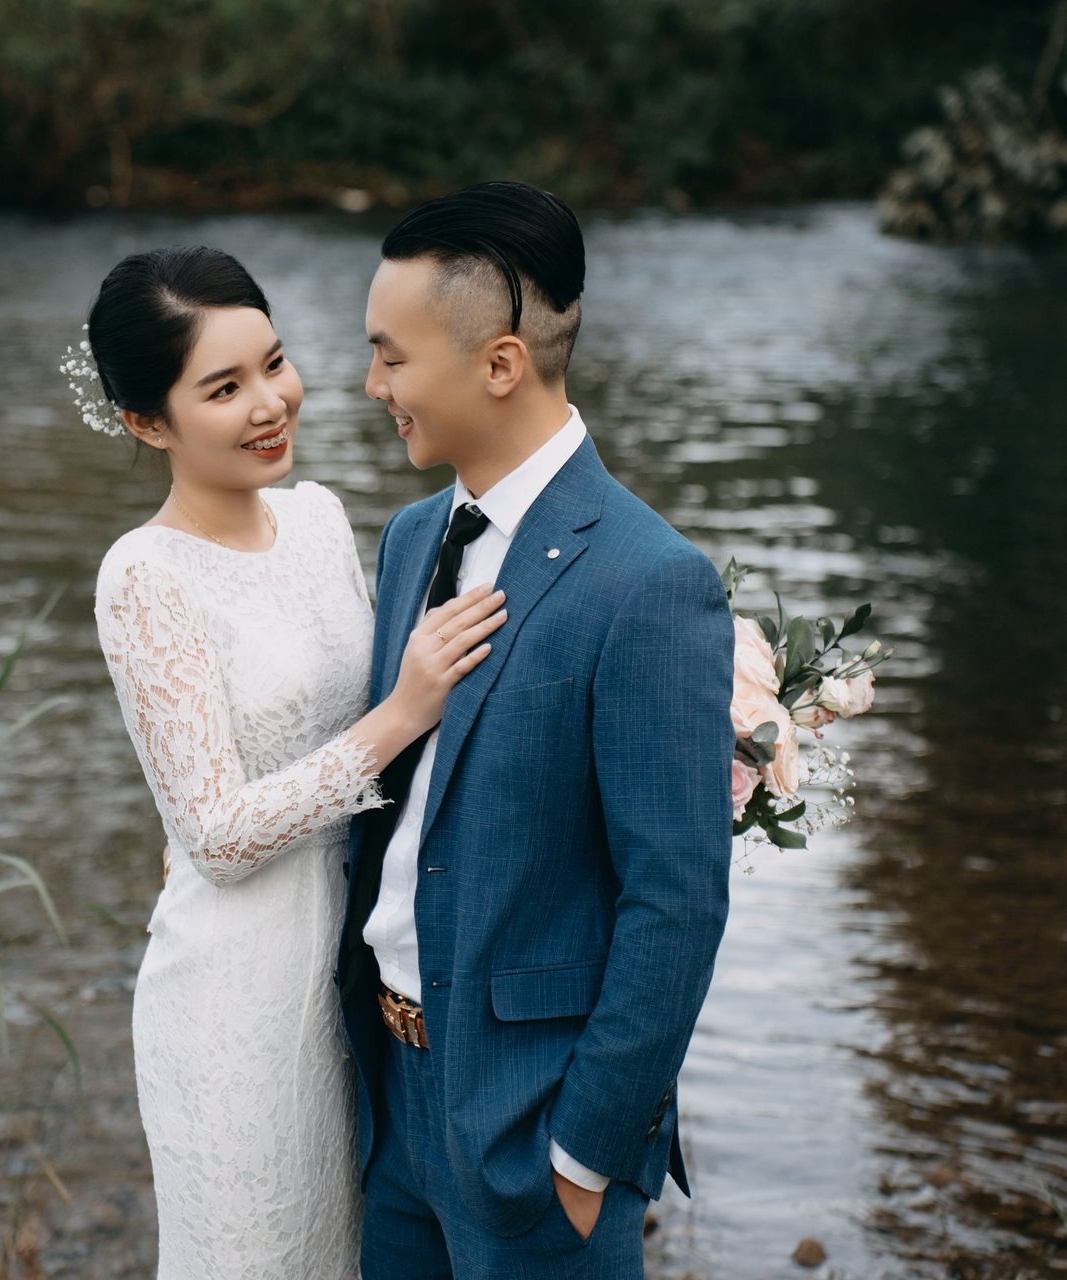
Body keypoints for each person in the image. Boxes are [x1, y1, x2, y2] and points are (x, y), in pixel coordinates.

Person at [337, 181, 736, 1279]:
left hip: (533, 1126)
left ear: (500, 363)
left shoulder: (651, 583)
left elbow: (679, 896)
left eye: (392, 357)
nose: (373, 386)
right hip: (395, 1109)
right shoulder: (415, 537)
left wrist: (584, 1150)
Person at [87, 246, 508, 1278]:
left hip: (352, 972)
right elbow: (218, 834)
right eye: (224, 388)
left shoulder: (319, 520)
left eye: (274, 363)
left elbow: (395, 719)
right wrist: (402, 712)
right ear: (149, 421)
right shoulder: (144, 575)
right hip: (235, 996)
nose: (271, 402)